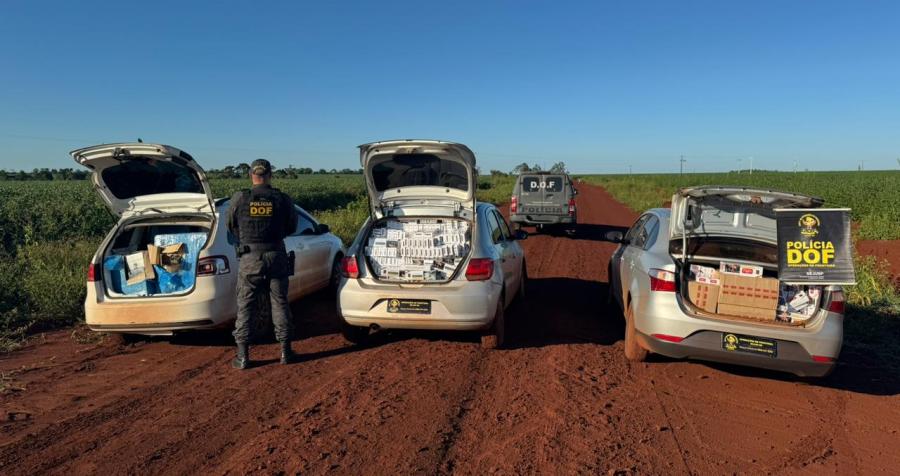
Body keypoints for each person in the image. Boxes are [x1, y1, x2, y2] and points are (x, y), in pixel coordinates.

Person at [226, 159, 299, 369]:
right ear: (270, 176)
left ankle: (243, 356)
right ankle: (285, 352)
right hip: (276, 255)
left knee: (245, 305)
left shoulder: (240, 198)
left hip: (250, 258)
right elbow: (292, 227)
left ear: (251, 175)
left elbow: (231, 226)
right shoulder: (282, 199)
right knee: (280, 302)